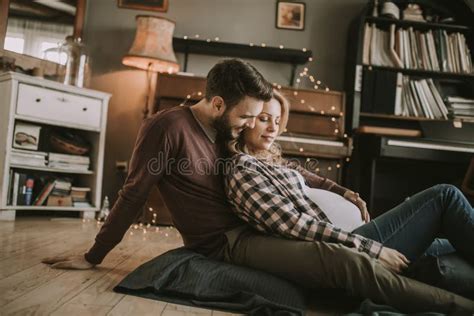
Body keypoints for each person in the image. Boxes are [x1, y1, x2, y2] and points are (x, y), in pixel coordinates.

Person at [42, 59, 474, 313]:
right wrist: (94, 255)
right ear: (216, 103)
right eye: (249, 115)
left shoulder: (225, 129)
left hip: (258, 222)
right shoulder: (167, 129)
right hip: (229, 239)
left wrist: (339, 190)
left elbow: (276, 166)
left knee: (434, 236)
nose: (258, 124)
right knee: (342, 259)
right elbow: (134, 193)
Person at [223, 90, 474, 309]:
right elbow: (295, 225)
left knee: (450, 247)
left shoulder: (269, 161)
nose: (273, 128)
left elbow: (307, 176)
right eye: (264, 119)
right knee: (445, 195)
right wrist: (374, 249)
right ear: (246, 121)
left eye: (277, 121)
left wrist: (344, 193)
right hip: (349, 251)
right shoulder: (244, 170)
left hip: (354, 236)